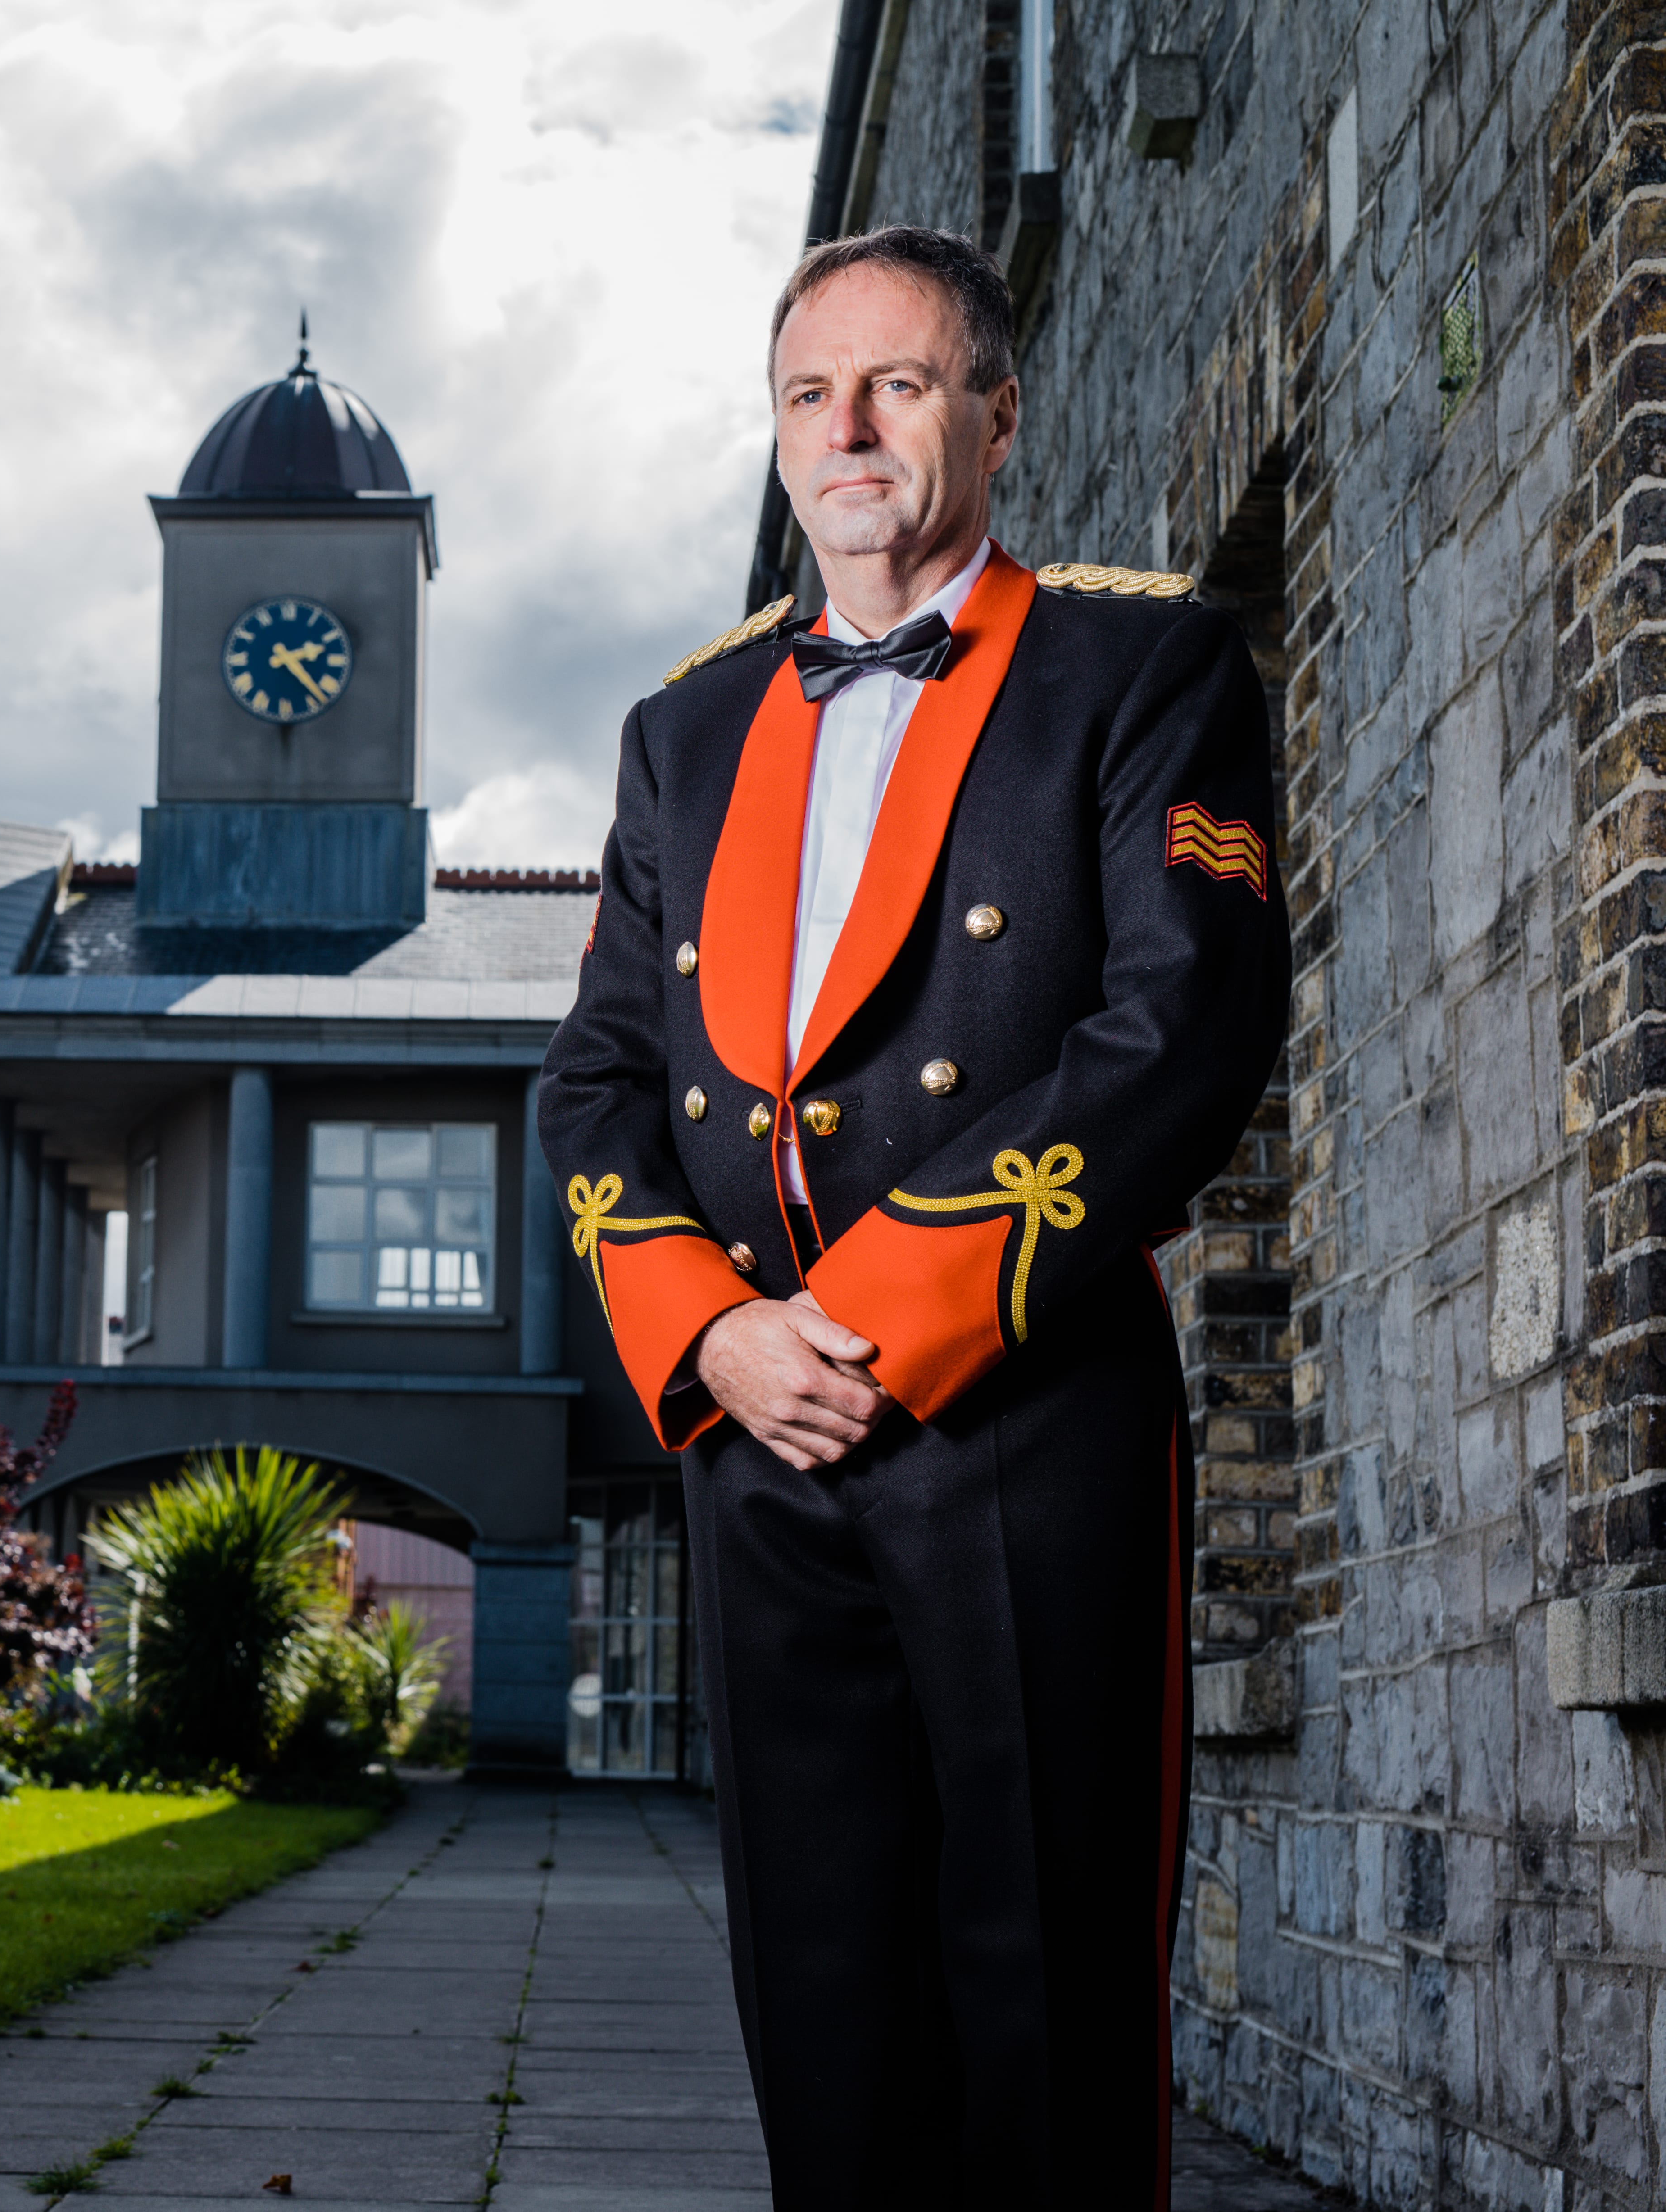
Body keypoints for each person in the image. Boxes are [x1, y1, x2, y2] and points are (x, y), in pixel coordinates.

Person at [536, 225, 1288, 2212]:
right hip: (754, 1430)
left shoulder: (1142, 666)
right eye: (808, 394)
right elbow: (596, 1080)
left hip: (1013, 1406)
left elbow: (1179, 1030)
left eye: (896, 384)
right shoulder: (685, 731)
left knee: (1042, 1981)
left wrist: (865, 1318)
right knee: (823, 1989)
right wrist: (714, 1336)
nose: (846, 430)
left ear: (998, 415)